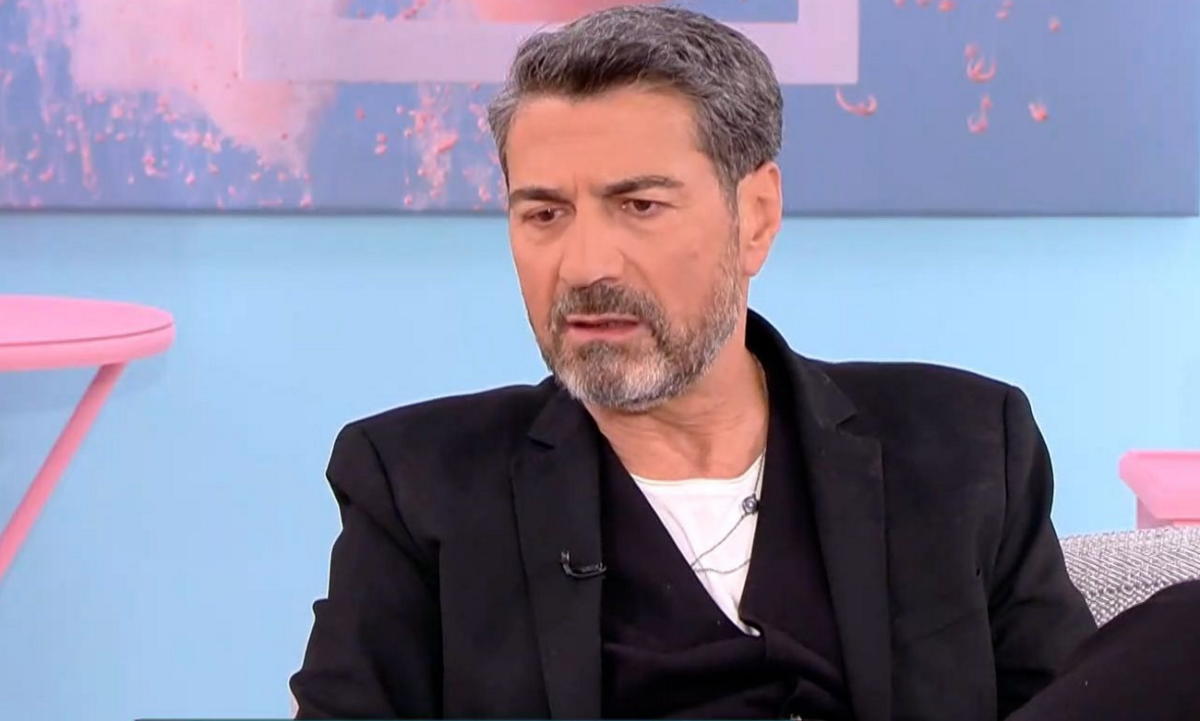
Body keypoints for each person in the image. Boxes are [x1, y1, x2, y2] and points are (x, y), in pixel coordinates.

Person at [290, 6, 1095, 720]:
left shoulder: (961, 447)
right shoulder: (417, 484)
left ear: (757, 216)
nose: (583, 264)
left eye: (639, 206)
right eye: (544, 213)